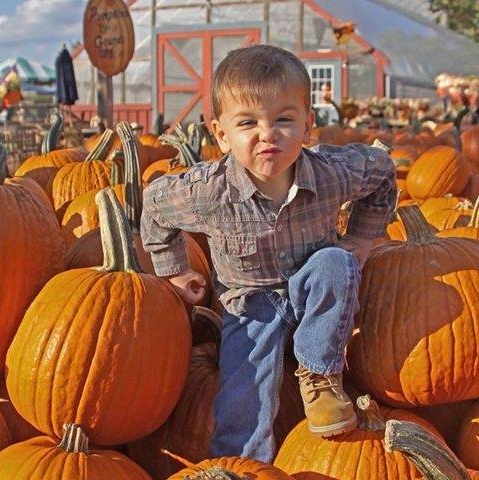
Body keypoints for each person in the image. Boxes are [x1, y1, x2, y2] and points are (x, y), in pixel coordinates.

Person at [140, 44, 397, 463]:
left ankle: (318, 372)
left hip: (313, 290)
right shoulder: (206, 191)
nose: (268, 133)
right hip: (250, 303)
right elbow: (153, 206)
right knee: (243, 395)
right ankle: (244, 465)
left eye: (283, 119)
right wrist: (174, 270)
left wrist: (363, 238)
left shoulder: (334, 173)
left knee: (337, 262)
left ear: (307, 126)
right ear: (221, 134)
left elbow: (383, 172)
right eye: (248, 123)